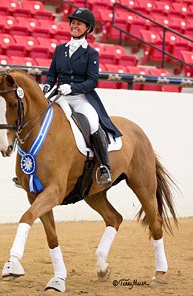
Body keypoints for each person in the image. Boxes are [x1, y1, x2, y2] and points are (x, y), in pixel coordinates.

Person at [42, 8, 122, 186]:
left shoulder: (91, 53)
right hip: (60, 98)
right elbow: (51, 74)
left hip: (80, 99)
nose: (74, 25)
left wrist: (72, 88)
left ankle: (104, 167)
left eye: (78, 23)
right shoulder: (60, 49)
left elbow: (92, 81)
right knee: (40, 119)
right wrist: (48, 84)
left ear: (88, 28)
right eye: (72, 22)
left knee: (93, 123)